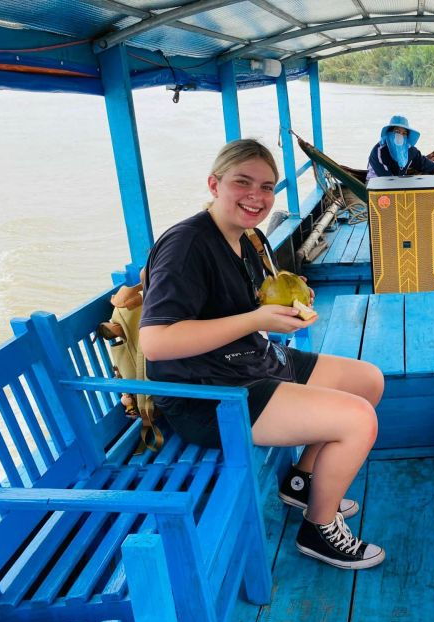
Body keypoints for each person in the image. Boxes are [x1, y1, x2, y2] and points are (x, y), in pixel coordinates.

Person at [140, 138, 386, 570]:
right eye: (243, 183)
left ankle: (301, 480)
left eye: (267, 187)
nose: (256, 197)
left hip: (251, 362)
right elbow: (156, 342)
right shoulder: (187, 245)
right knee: (357, 420)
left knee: (367, 381)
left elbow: (256, 299)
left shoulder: (250, 238)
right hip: (206, 394)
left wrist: (291, 299)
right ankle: (319, 528)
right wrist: (257, 321)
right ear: (214, 184)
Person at [366, 115, 434, 179]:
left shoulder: (410, 151)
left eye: (404, 133)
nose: (400, 136)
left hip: (397, 184)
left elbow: (424, 164)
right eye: (397, 132)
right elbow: (386, 179)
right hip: (375, 186)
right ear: (389, 133)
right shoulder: (379, 151)